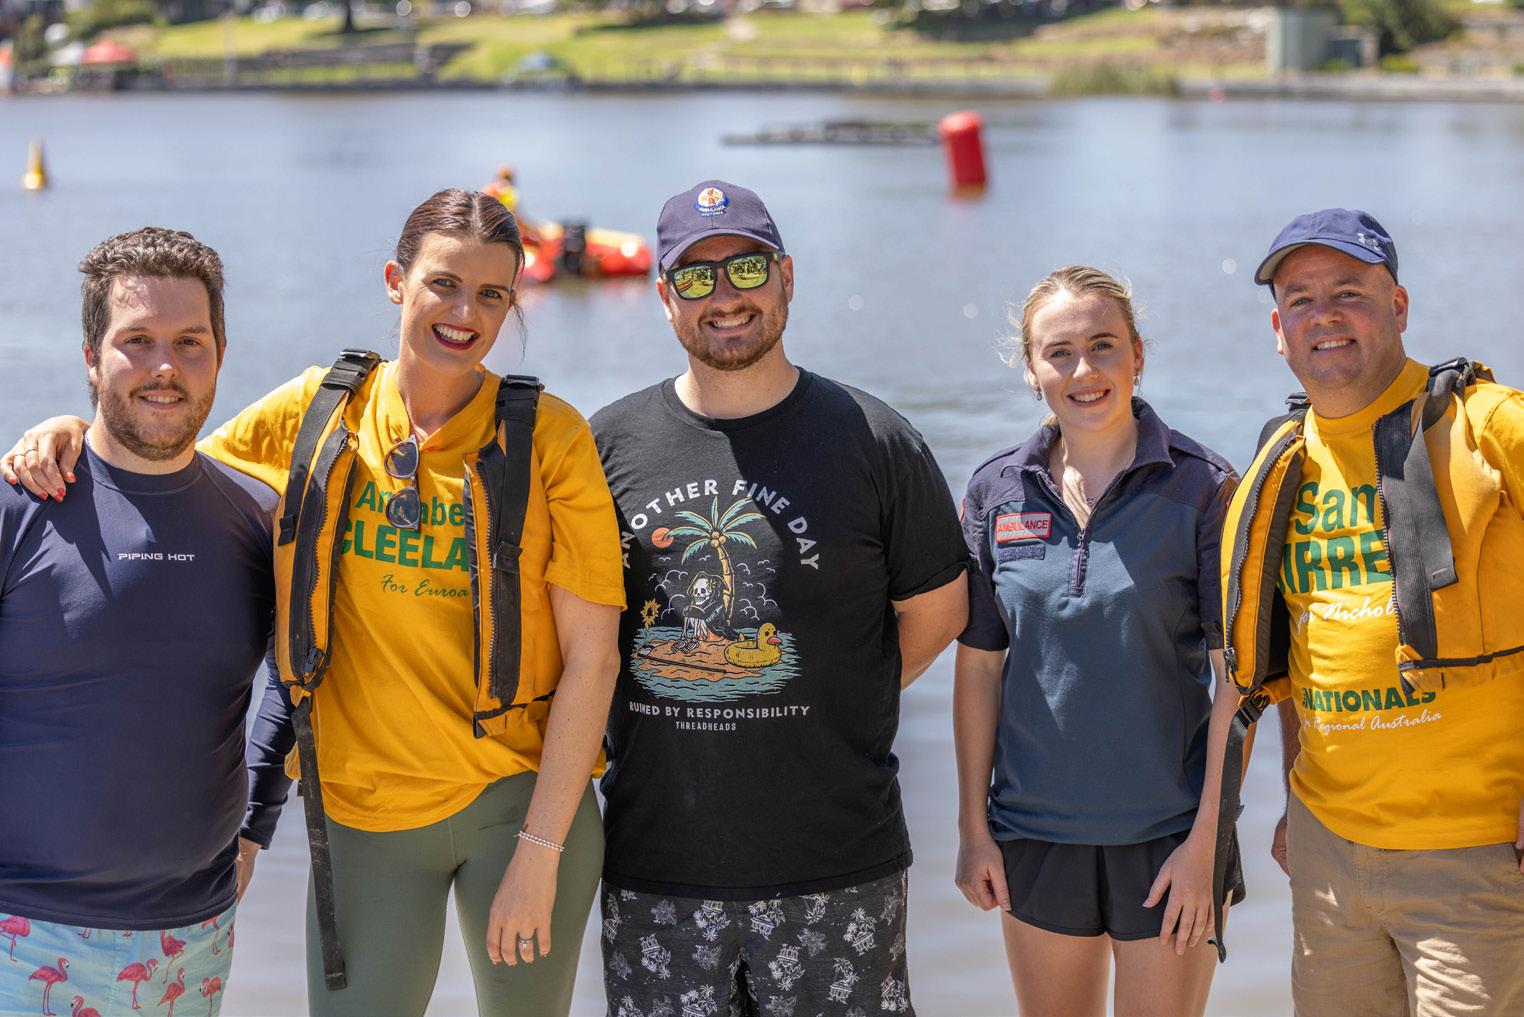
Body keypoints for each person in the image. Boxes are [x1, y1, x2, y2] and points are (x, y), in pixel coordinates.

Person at [2, 189, 625, 1017]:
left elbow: (594, 658)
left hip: (519, 801)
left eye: (491, 294)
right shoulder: (320, 410)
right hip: (363, 809)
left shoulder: (550, 437)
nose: (464, 313)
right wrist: (68, 430)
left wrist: (542, 851)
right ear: (395, 281)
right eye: (443, 283)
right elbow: (164, 456)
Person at [589, 180, 969, 1016]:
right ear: (665, 296)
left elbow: (940, 610)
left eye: (748, 268)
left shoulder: (877, 440)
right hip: (658, 869)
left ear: (787, 277)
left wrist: (831, 686)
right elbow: (579, 642)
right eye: (696, 276)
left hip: (839, 865)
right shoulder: (605, 446)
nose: (725, 296)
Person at [1221, 208, 1524, 1017]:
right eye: (1300, 298)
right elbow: (1294, 652)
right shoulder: (1284, 458)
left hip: (1473, 854)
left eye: (1349, 291)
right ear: (1278, 331)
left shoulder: (1488, 424)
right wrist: (1294, 798)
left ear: (1399, 305)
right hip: (1328, 857)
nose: (1324, 314)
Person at [953, 266, 1246, 1017]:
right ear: (1031, 369)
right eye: (1059, 352)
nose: (1083, 370)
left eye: (1103, 345)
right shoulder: (996, 491)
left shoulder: (1204, 487)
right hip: (1033, 837)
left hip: (1170, 839)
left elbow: (1236, 684)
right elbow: (980, 668)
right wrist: (974, 829)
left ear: (1137, 354)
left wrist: (1207, 845)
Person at [0, 227, 272, 1016]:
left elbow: (299, 683)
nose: (165, 367)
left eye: (189, 342)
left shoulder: (257, 519)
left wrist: (257, 824)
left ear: (221, 353)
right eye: (137, 341)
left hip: (193, 940)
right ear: (92, 356)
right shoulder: (20, 506)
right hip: (21, 935)